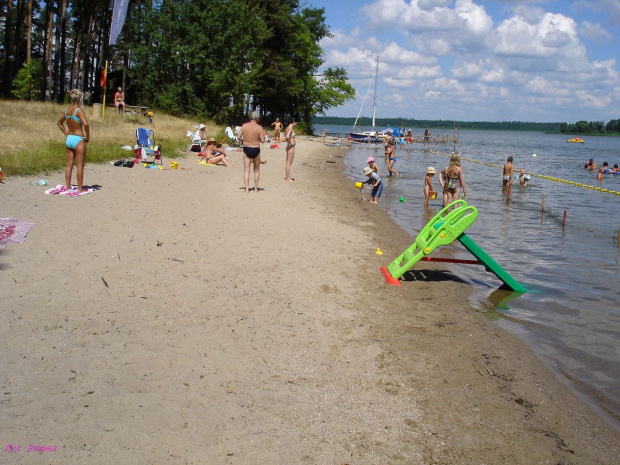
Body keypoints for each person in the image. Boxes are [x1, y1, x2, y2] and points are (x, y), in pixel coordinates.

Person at [56, 89, 90, 194]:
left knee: (69, 164)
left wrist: (66, 134)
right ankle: (80, 188)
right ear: (80, 98)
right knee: (80, 165)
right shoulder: (78, 110)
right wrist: (88, 136)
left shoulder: (67, 110)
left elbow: (59, 122)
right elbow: (86, 124)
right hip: (78, 138)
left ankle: (68, 186)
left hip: (69, 138)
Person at [237, 111, 265, 193]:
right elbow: (263, 141)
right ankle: (256, 188)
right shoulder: (259, 127)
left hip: (246, 148)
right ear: (257, 118)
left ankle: (246, 189)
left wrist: (244, 140)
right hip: (255, 148)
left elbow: (238, 137)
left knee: (246, 170)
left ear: (250, 117)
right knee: (256, 170)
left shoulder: (244, 125)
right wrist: (258, 138)